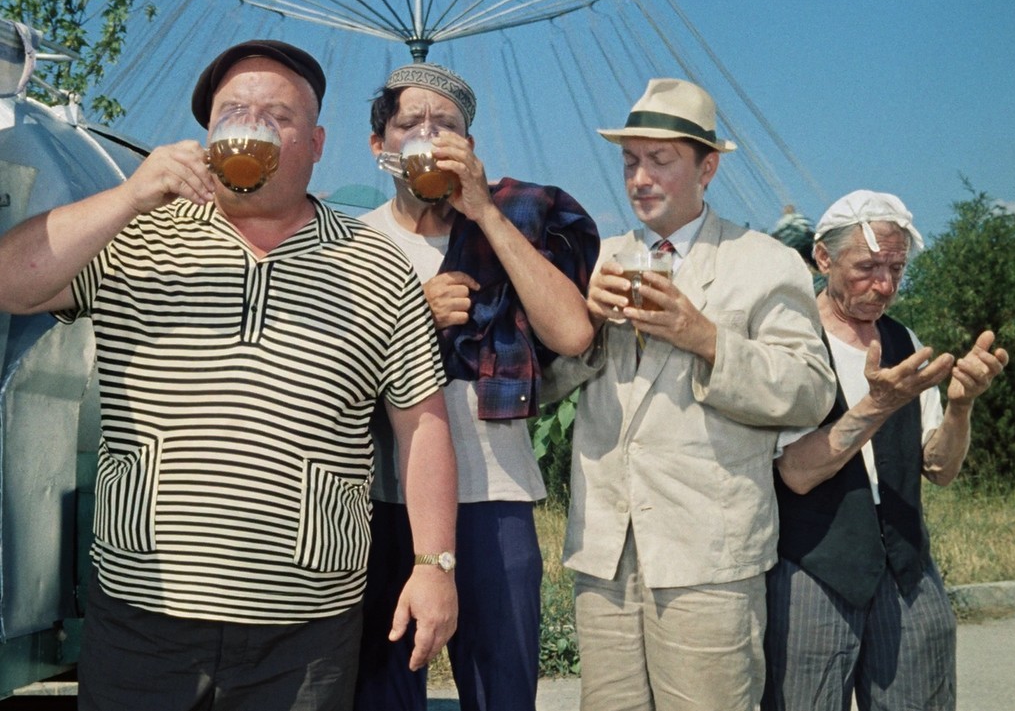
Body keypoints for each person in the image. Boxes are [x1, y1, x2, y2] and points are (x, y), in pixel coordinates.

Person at [0, 39, 458, 711]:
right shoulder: (137, 234)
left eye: (278, 116)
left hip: (304, 628)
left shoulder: (375, 264)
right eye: (234, 112)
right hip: (142, 612)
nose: (252, 127)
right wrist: (128, 195)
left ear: (316, 144)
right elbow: (11, 282)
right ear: (208, 134)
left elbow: (423, 425)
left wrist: (435, 565)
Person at [540, 77, 837, 711]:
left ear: (708, 168)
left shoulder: (765, 262)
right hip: (604, 552)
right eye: (630, 161)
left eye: (660, 160)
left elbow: (811, 391)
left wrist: (706, 338)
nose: (640, 178)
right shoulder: (597, 261)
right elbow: (537, 388)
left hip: (709, 556)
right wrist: (584, 327)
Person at [353, 62, 599, 711]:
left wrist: (484, 210)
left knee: (503, 690)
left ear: (469, 145)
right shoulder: (354, 244)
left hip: (495, 492)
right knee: (381, 689)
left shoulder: (506, 223)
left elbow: (573, 332)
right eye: (411, 123)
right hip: (383, 499)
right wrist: (413, 314)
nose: (429, 136)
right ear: (379, 145)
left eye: (447, 125)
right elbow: (329, 376)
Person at [763, 190, 1009, 711]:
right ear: (823, 258)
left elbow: (938, 468)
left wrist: (961, 406)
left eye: (896, 268)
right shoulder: (790, 339)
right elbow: (796, 473)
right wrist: (877, 405)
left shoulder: (903, 342)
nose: (885, 285)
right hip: (813, 567)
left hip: (905, 566)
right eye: (868, 267)